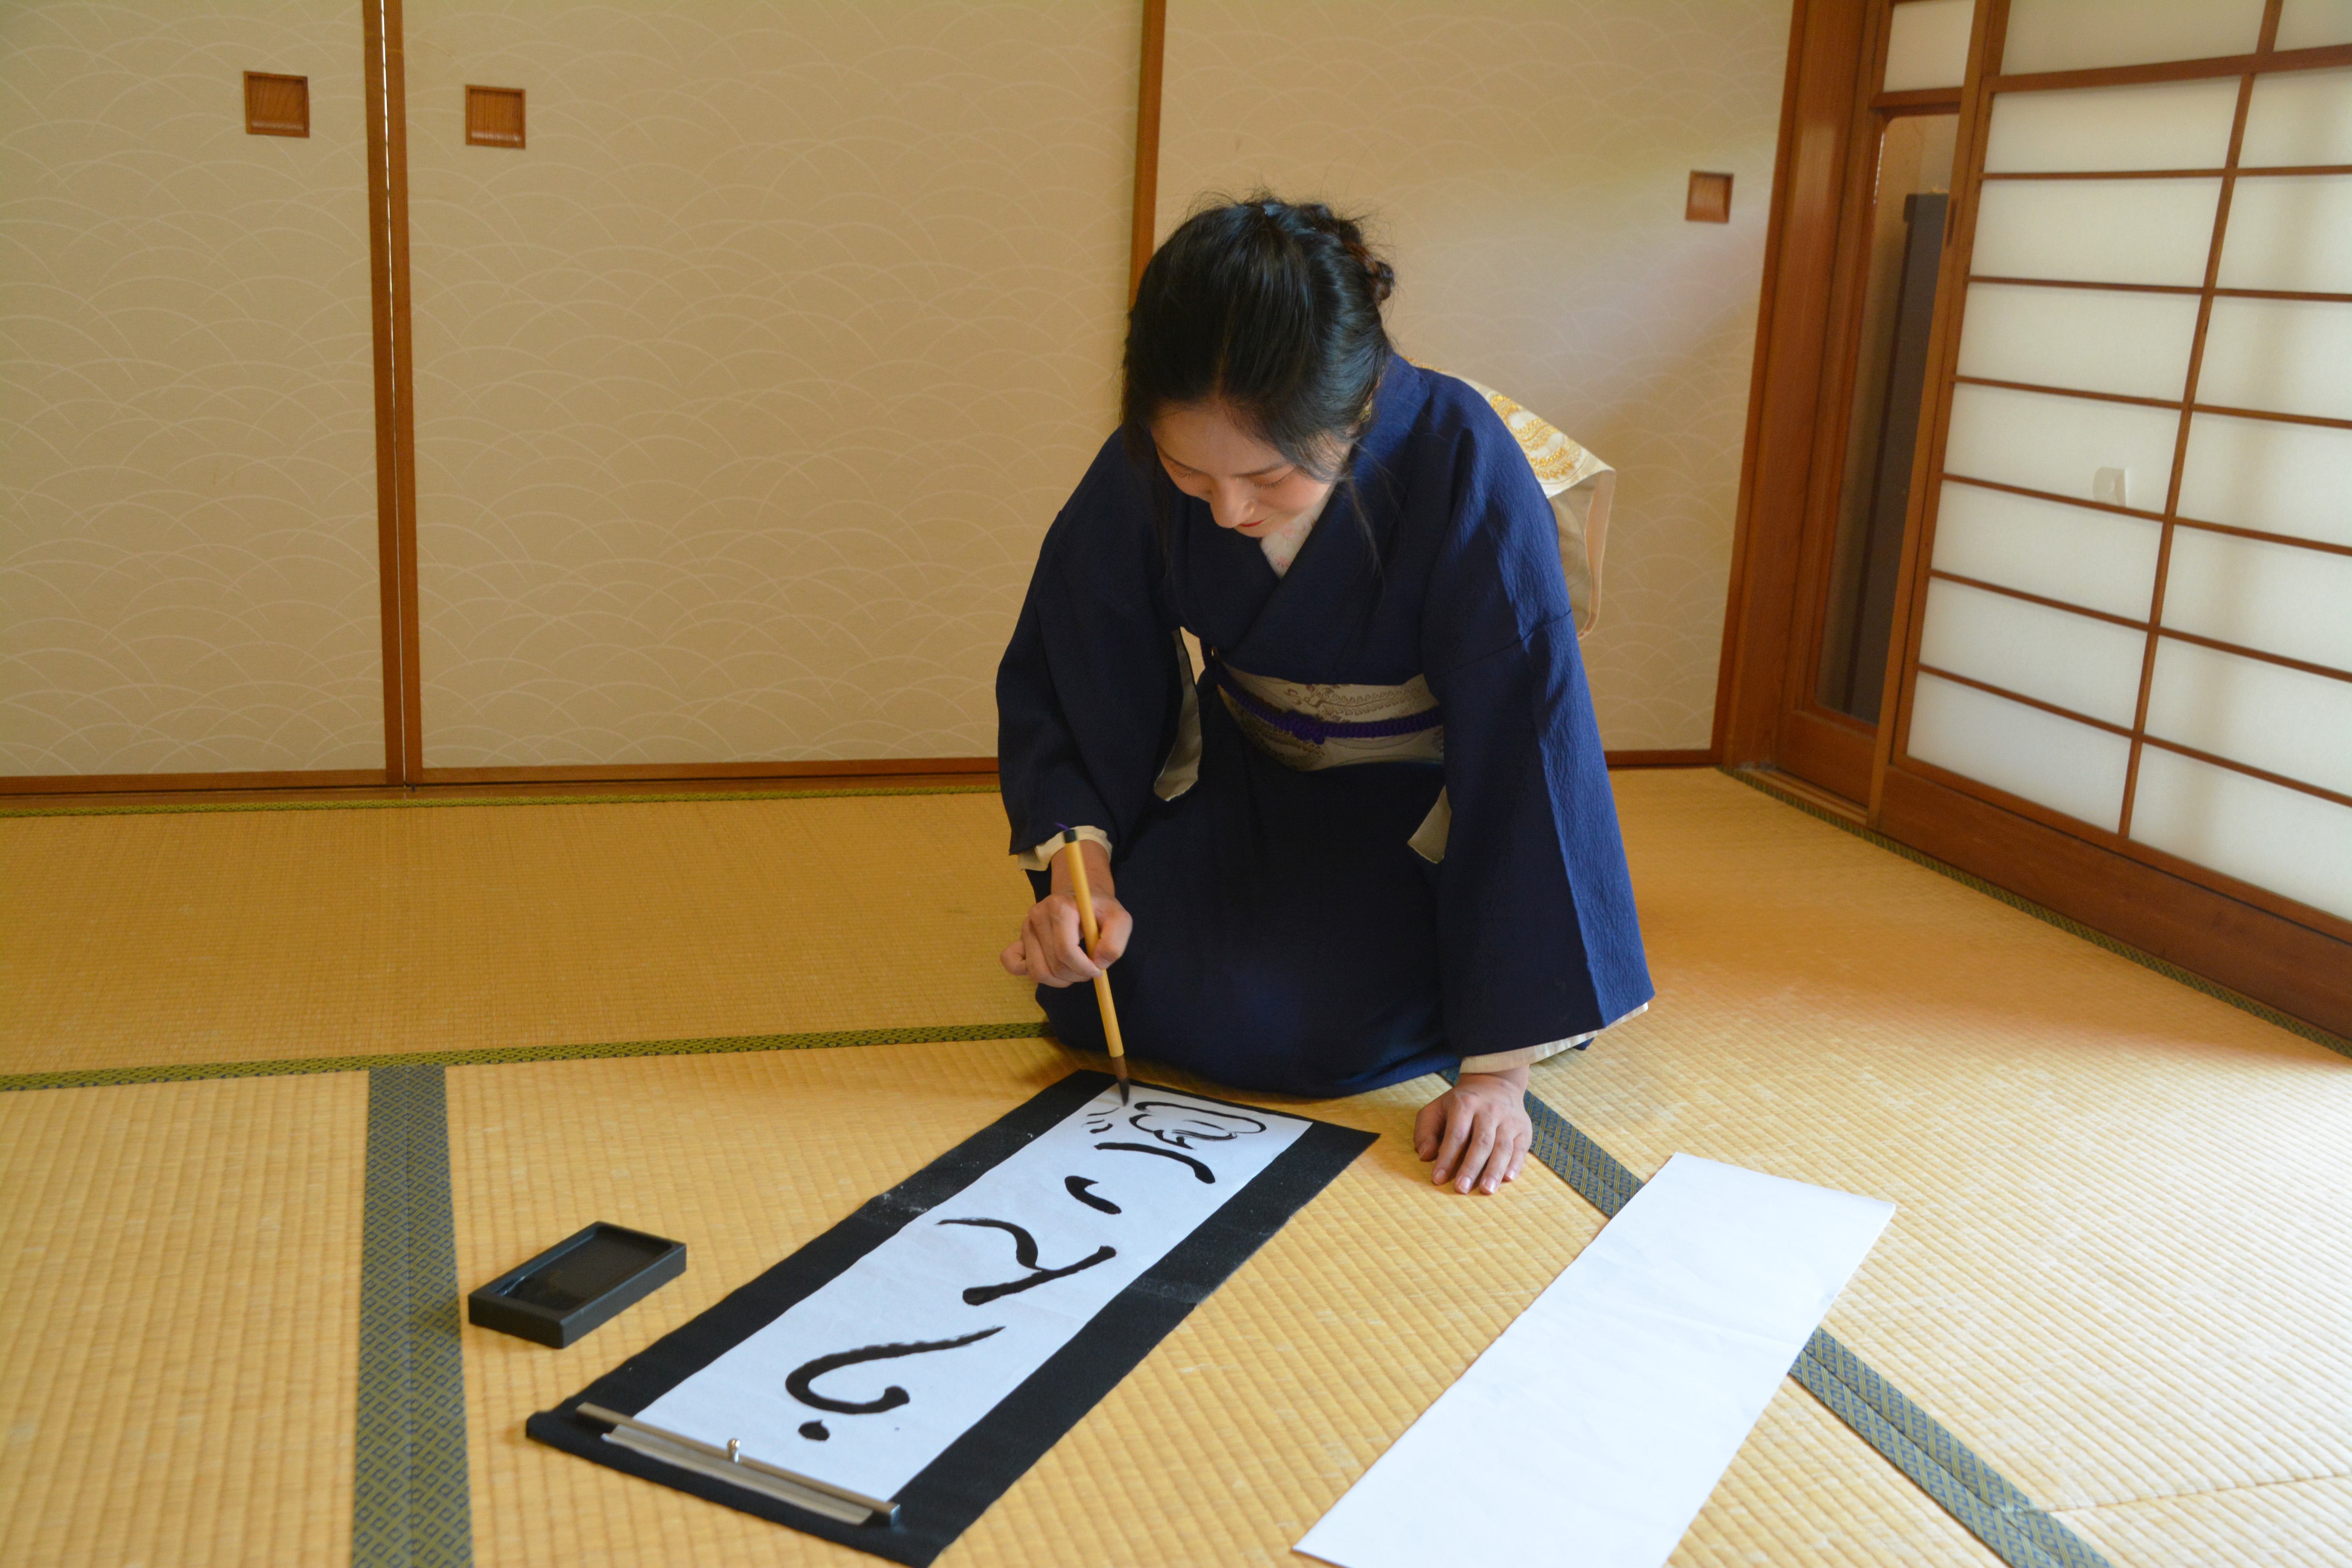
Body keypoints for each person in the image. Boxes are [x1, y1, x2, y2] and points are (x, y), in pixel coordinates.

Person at [996, 197, 1651, 1198]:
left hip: (1420, 809)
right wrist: (1081, 885)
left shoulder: (1458, 455)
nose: (1228, 507)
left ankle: (1497, 989)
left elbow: (1524, 737)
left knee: (1298, 1028)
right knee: (1099, 990)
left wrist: (1497, 1074)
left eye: (1268, 477)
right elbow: (1081, 659)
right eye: (1190, 473)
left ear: (1357, 411)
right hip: (1249, 773)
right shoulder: (1146, 458)